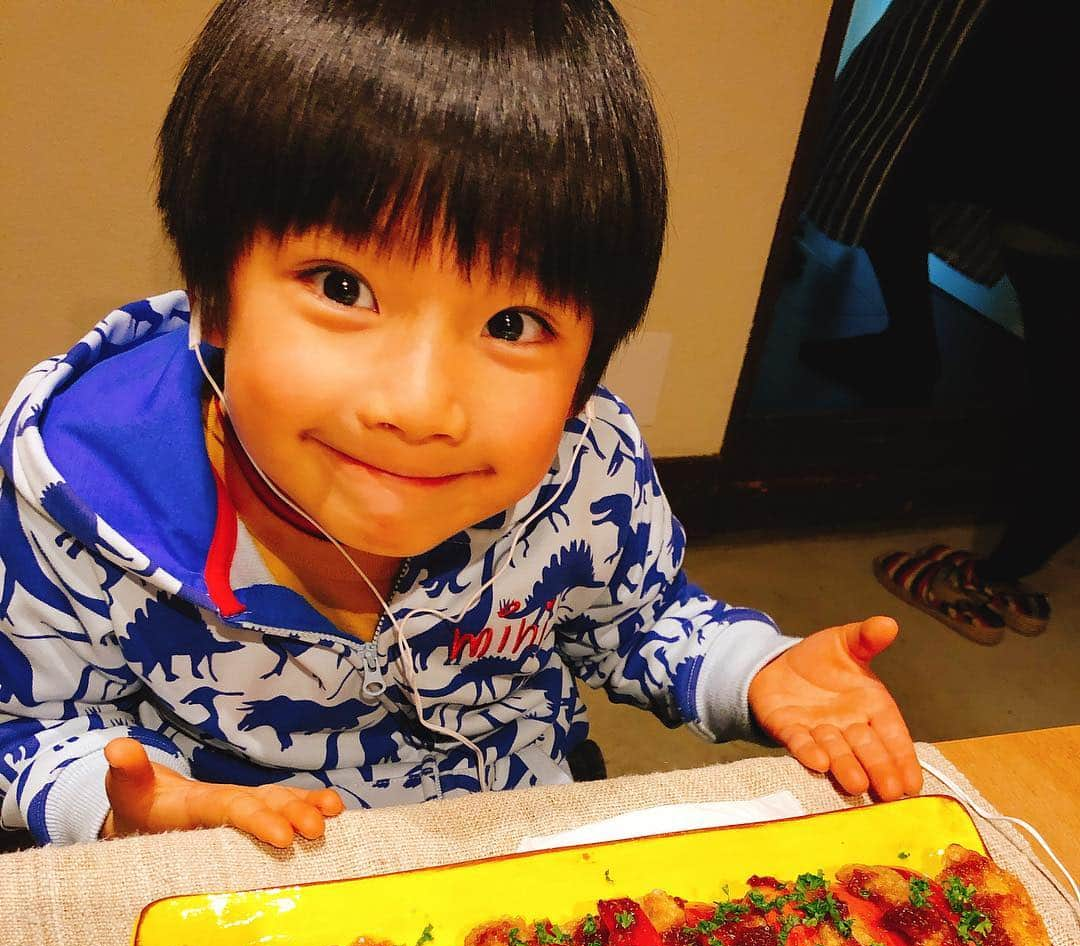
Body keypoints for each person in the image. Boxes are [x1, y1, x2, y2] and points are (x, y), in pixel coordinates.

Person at [0, 0, 921, 849]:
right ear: (215, 294)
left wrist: (756, 673)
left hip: (516, 848)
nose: (420, 408)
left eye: (512, 325)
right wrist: (126, 811)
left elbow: (643, 621)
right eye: (342, 287)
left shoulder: (585, 465)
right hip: (242, 877)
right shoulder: (77, 492)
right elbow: (21, 728)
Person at [800, 0, 1080, 644]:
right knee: (898, 176)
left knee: (1064, 361)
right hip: (1037, 121)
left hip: (1042, 124)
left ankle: (1008, 566)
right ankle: (910, 349)